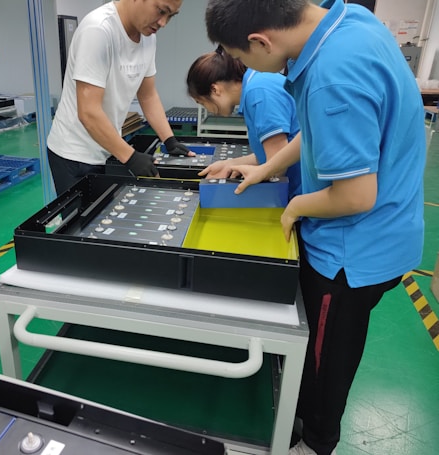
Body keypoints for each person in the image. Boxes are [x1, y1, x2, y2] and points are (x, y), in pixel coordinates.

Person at [204, 1, 426, 455]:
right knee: (323, 354)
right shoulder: (349, 24)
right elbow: (316, 128)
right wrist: (268, 169)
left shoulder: (331, 76)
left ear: (261, 40)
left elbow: (354, 195)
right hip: (390, 229)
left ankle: (316, 442)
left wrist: (295, 208)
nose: (246, 69)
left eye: (242, 59)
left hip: (352, 252)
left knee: (327, 363)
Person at [47, 0, 194, 195]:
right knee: (84, 222)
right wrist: (131, 157)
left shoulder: (147, 36)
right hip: (74, 154)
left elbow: (148, 95)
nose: (163, 23)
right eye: (161, 11)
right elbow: (88, 112)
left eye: (171, 16)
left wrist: (169, 140)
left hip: (107, 147)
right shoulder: (99, 30)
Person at [186, 47, 301, 199]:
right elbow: (273, 156)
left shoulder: (259, 91)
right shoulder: (255, 84)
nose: (208, 109)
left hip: (305, 195)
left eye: (201, 102)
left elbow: (277, 167)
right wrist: (230, 164)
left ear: (215, 89)